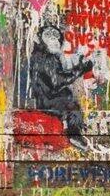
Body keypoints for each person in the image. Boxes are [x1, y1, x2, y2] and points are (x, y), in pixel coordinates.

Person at [21, 15, 90, 146]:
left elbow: (56, 79)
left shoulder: (45, 56)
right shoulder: (44, 57)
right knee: (72, 105)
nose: (53, 38)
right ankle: (74, 134)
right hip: (49, 101)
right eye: (48, 35)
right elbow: (58, 81)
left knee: (70, 101)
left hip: (48, 98)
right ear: (40, 39)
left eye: (55, 35)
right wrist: (80, 70)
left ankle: (73, 131)